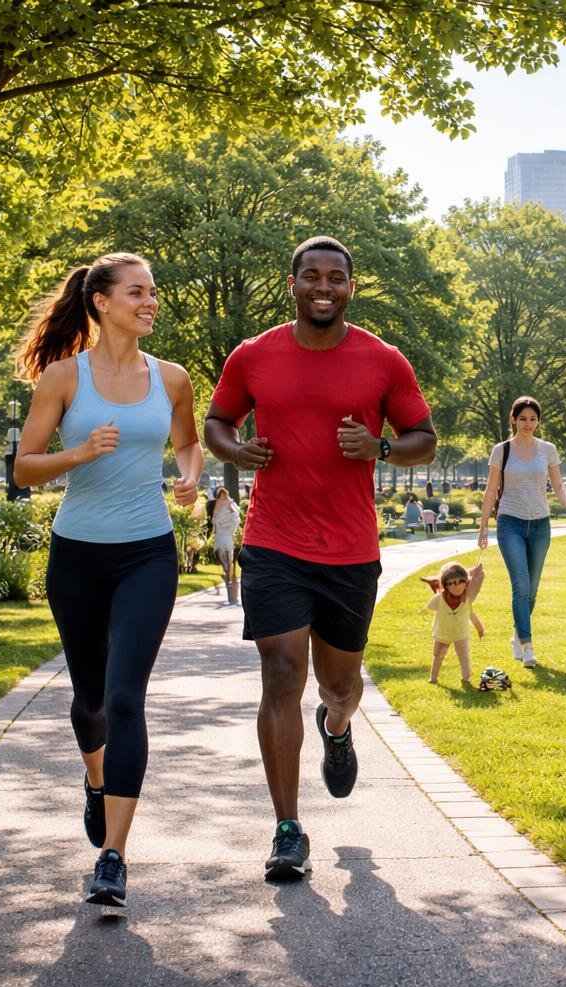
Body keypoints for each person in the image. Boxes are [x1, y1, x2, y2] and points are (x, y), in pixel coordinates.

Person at [203, 236, 436, 881]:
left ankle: (337, 726)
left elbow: (425, 438)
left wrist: (382, 449)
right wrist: (236, 448)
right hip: (275, 541)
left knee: (339, 684)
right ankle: (287, 829)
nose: (323, 286)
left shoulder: (383, 361)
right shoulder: (254, 356)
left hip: (349, 550)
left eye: (336, 276)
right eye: (311, 275)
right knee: (281, 674)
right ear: (294, 283)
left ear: (351, 288)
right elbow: (216, 420)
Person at [12, 253, 203, 907]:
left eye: (154, 292)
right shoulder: (63, 378)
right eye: (137, 292)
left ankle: (114, 858)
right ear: (101, 302)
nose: (150, 302)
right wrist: (78, 453)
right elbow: (24, 468)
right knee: (89, 699)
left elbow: (187, 441)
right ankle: (96, 782)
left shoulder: (172, 378)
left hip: (148, 554)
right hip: (77, 558)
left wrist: (190, 477)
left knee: (124, 699)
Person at [477, 396, 566, 669]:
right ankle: (528, 645)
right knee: (520, 585)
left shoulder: (548, 449)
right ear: (513, 419)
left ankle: (516, 634)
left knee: (532, 590)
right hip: (510, 522)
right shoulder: (502, 450)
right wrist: (484, 525)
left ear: (538, 421)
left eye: (533, 419)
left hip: (540, 524)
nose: (528, 424)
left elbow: (557, 484)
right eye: (523, 419)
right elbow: (490, 490)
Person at [426, 560, 485, 686]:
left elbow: (471, 615)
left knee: (464, 656)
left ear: (466, 582)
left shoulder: (467, 599)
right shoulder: (439, 599)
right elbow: (430, 607)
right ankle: (433, 677)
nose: (456, 586)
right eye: (451, 583)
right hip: (443, 634)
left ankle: (466, 677)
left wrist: (480, 629)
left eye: (460, 582)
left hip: (461, 634)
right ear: (445, 585)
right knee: (437, 655)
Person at [211, 486, 241, 604]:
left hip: (227, 534)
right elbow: (215, 519)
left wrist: (227, 520)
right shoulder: (217, 504)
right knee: (221, 556)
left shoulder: (231, 503)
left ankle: (231, 586)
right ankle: (227, 576)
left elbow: (236, 518)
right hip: (220, 535)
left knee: (229, 558)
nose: (223, 497)